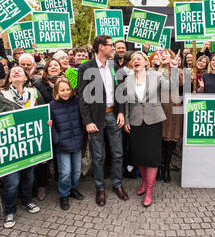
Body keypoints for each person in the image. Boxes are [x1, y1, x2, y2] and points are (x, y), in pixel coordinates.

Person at [0, 66, 45, 228]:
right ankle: (10, 211)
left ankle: (27, 201)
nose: (16, 72)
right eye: (13, 72)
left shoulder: (34, 93)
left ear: (27, 77)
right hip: (13, 146)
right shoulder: (3, 96)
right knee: (12, 182)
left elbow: (42, 113)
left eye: (20, 71)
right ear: (9, 79)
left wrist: (46, 122)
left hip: (29, 146)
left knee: (29, 177)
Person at [77, 35, 128, 207]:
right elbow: (82, 98)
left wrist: (121, 113)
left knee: (118, 153)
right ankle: (100, 188)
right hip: (96, 119)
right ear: (100, 47)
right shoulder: (86, 68)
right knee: (98, 156)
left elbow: (120, 91)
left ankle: (117, 184)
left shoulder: (114, 66)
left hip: (113, 115)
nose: (113, 48)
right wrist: (87, 121)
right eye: (110, 45)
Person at [124, 51, 169, 207]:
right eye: (133, 59)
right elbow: (126, 102)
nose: (136, 60)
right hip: (136, 121)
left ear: (145, 62)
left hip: (153, 120)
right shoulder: (128, 79)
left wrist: (171, 67)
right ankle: (144, 183)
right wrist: (126, 120)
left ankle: (149, 190)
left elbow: (169, 86)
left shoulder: (155, 75)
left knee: (151, 157)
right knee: (140, 156)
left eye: (139, 58)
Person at [50, 78, 85, 210]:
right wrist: (56, 139)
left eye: (67, 89)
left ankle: (73, 188)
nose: (65, 92)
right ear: (57, 91)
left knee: (76, 170)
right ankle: (64, 194)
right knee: (65, 172)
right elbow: (51, 125)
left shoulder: (76, 101)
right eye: (62, 90)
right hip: (62, 144)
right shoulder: (52, 105)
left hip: (76, 140)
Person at [33, 58, 64, 200]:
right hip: (45, 124)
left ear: (60, 68)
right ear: (45, 69)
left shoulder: (65, 81)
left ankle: (61, 183)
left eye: (56, 65)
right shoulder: (38, 84)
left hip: (61, 124)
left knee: (60, 155)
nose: (53, 67)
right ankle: (42, 186)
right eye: (50, 65)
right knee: (44, 158)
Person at [158, 49, 183, 183]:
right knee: (160, 142)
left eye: (166, 54)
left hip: (173, 110)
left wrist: (174, 68)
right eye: (162, 54)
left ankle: (167, 168)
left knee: (170, 142)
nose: (163, 56)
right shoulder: (156, 70)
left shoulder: (178, 71)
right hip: (159, 109)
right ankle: (160, 167)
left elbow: (174, 86)